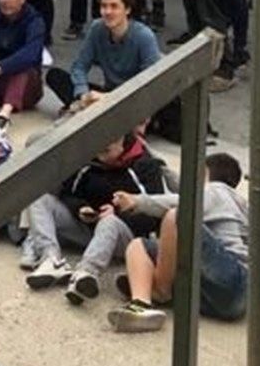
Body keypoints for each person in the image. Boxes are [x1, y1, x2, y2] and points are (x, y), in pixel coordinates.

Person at [20, 128, 171, 303]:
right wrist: (81, 208)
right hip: (88, 227)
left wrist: (118, 213)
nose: (100, 153)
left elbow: (154, 216)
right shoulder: (89, 159)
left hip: (126, 235)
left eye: (106, 149)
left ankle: (86, 273)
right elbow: (68, 193)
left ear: (122, 139)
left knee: (109, 222)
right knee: (41, 199)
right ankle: (50, 259)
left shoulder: (146, 165)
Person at [110, 152, 251, 332]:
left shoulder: (217, 190)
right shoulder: (240, 207)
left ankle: (159, 289)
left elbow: (184, 201)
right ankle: (141, 305)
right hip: (214, 296)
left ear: (204, 172)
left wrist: (137, 201)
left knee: (177, 216)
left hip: (231, 281)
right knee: (139, 245)